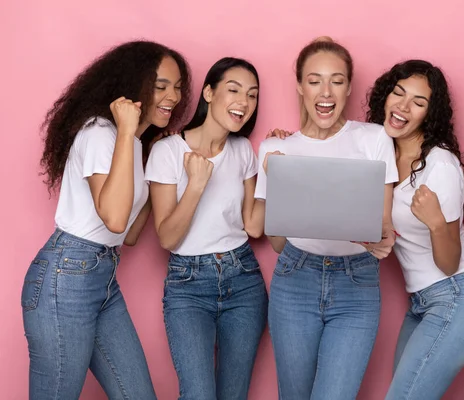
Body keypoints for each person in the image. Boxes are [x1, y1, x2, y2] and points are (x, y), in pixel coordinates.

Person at [21, 40, 192, 400]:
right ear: (133, 86)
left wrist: (151, 157)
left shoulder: (130, 144)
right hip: (65, 281)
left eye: (177, 87)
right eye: (161, 86)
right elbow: (114, 218)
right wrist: (129, 131)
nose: (173, 97)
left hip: (101, 280)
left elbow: (127, 235)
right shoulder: (102, 133)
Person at [255, 36, 399, 400]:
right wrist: (280, 184)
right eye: (315, 79)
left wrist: (382, 240)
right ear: (300, 86)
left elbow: (382, 222)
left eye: (336, 80)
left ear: (349, 87)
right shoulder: (276, 149)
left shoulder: (374, 139)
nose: (326, 91)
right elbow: (274, 242)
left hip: (357, 283)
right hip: (295, 278)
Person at [364, 59, 464, 400]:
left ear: (429, 115)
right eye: (398, 93)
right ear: (384, 96)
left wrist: (437, 221)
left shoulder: (439, 164)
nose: (403, 107)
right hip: (423, 299)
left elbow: (450, 262)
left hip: (458, 294)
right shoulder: (378, 154)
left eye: (418, 103)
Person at [146, 57, 267, 400]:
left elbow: (253, 227)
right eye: (234, 90)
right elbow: (167, 237)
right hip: (188, 285)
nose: (244, 101)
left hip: (243, 278)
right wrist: (196, 185)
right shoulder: (167, 151)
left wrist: (276, 174)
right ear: (209, 93)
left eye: (252, 95)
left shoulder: (243, 149)